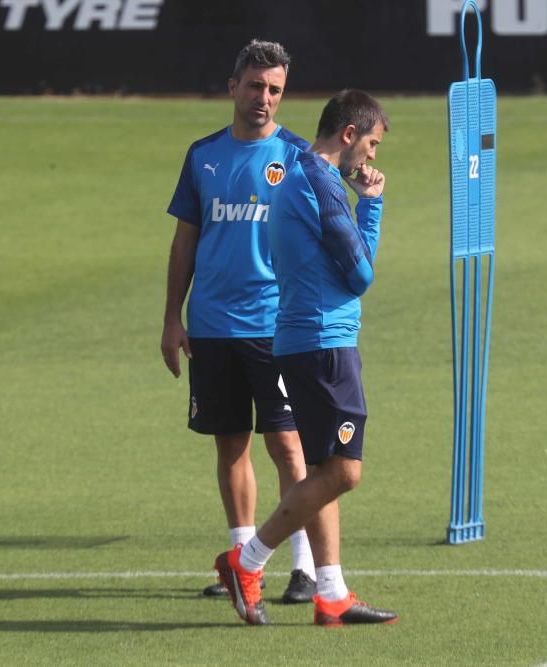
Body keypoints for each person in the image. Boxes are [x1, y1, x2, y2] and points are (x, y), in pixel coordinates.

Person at [214, 89, 398, 626]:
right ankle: (246, 562)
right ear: (348, 135)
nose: (371, 157)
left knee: (320, 469)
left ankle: (331, 592)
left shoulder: (297, 175)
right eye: (371, 143)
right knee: (343, 473)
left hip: (303, 337)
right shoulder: (319, 182)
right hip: (323, 344)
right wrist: (375, 206)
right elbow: (360, 275)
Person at [162, 39, 317, 603]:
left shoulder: (298, 156)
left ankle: (303, 568)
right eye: (255, 86)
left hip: (275, 328)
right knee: (230, 447)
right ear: (233, 88)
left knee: (289, 446)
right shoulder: (203, 155)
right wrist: (171, 320)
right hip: (210, 327)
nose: (264, 98)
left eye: (274, 89)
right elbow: (184, 241)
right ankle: (242, 561)